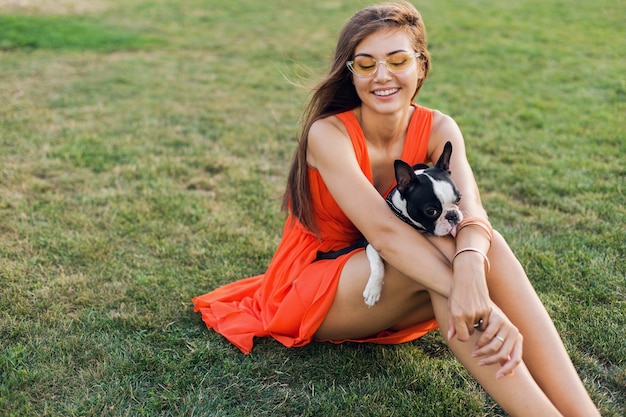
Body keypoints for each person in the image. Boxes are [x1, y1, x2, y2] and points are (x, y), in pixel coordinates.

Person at [193, 2, 600, 415]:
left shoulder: (440, 128)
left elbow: (473, 214)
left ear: (421, 66)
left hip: (395, 279)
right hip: (318, 283)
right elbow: (386, 235)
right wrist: (479, 299)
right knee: (441, 252)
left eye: (398, 60)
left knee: (479, 247)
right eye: (365, 64)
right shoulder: (328, 134)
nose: (382, 76)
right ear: (350, 73)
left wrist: (473, 270)